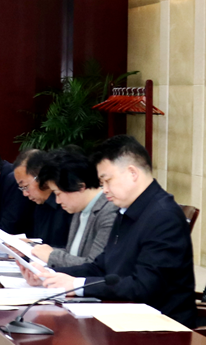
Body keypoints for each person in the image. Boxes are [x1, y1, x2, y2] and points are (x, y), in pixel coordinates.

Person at [23, 136, 196, 328]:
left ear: (132, 173)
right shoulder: (127, 210)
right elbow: (101, 266)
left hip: (161, 329)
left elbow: (144, 287)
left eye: (107, 181)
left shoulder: (163, 216)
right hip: (124, 316)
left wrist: (78, 285)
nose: (104, 190)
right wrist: (50, 276)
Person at [28, 150, 118, 268]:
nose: (57, 201)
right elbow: (73, 254)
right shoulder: (79, 208)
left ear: (80, 186)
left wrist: (51, 256)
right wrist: (33, 249)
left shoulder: (109, 212)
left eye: (58, 193)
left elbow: (95, 266)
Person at [13, 149, 72, 248]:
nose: (25, 194)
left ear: (40, 177)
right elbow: (41, 242)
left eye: (25, 186)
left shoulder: (68, 204)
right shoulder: (39, 204)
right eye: (21, 188)